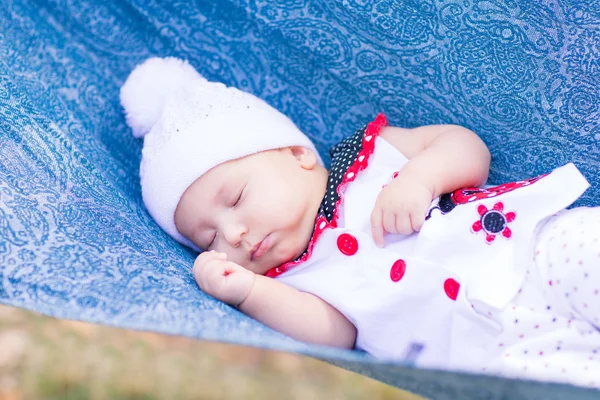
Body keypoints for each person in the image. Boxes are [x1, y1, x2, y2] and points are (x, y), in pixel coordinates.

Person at [121, 57, 600, 388]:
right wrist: (248, 292)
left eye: (237, 197)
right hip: (490, 351)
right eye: (208, 238)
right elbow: (336, 336)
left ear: (297, 155)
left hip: (534, 254)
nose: (233, 234)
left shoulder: (369, 157)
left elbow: (466, 147)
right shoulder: (291, 283)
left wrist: (419, 179)